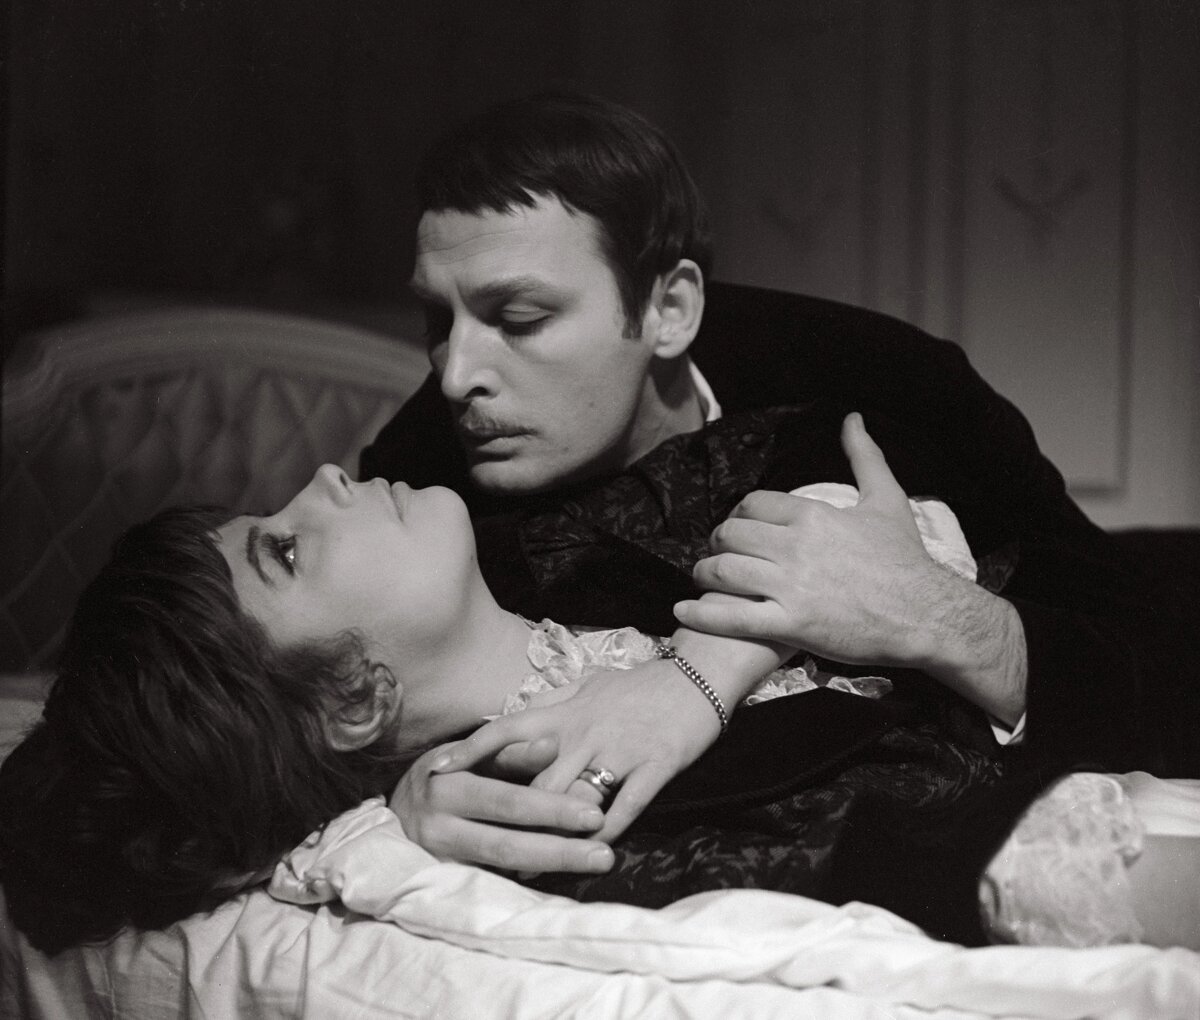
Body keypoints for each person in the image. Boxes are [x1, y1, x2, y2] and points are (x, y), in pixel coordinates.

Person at [359, 91, 1195, 875]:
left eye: (520, 319)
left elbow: (1156, 669)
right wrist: (395, 800)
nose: (456, 373)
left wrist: (937, 615)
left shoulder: (887, 382)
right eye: (438, 319)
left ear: (669, 311)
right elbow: (312, 694)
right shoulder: (420, 470)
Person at [2, 466, 1196, 956]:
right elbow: (932, 840)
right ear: (356, 702)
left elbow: (828, 499)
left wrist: (699, 671)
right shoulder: (552, 803)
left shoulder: (555, 543)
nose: (320, 479)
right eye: (284, 550)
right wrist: (372, 830)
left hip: (1115, 612)